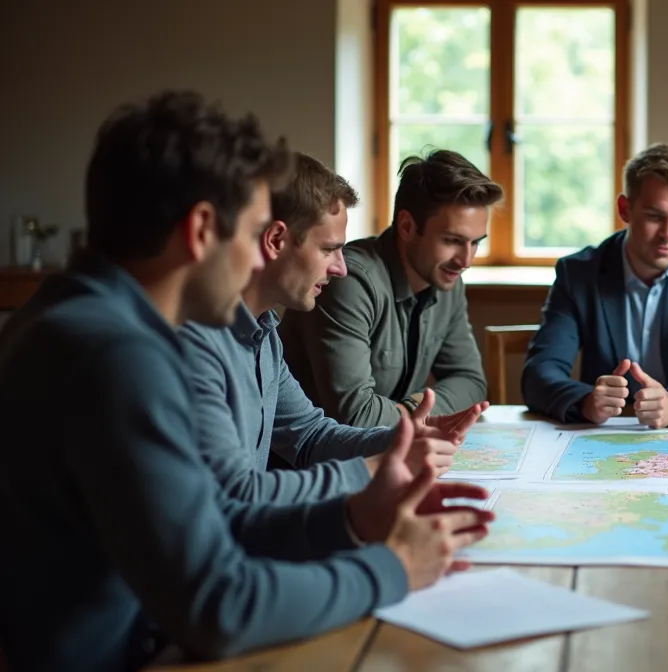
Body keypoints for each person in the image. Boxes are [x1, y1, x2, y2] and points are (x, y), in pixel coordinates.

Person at [0, 91, 494, 671]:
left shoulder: (78, 316)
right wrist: (395, 568)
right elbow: (220, 605)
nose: (261, 257)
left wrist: (353, 517)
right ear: (203, 229)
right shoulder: (118, 356)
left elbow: (212, 518)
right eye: (257, 229)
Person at [180, 152, 489, 503]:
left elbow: (312, 436)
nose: (340, 268)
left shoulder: (265, 333)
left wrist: (404, 438)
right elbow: (236, 494)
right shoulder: (198, 341)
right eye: (329, 249)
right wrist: (379, 465)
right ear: (276, 240)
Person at [521, 143, 668, 427]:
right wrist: (586, 401)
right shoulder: (578, 273)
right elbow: (539, 374)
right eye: (655, 216)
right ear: (625, 209)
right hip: (600, 438)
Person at [278, 149, 500, 427]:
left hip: (383, 454)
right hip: (315, 462)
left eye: (476, 242)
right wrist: (416, 418)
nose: (466, 260)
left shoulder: (446, 280)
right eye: (452, 240)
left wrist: (413, 409)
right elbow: (356, 416)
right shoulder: (350, 282)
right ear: (407, 226)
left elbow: (471, 382)